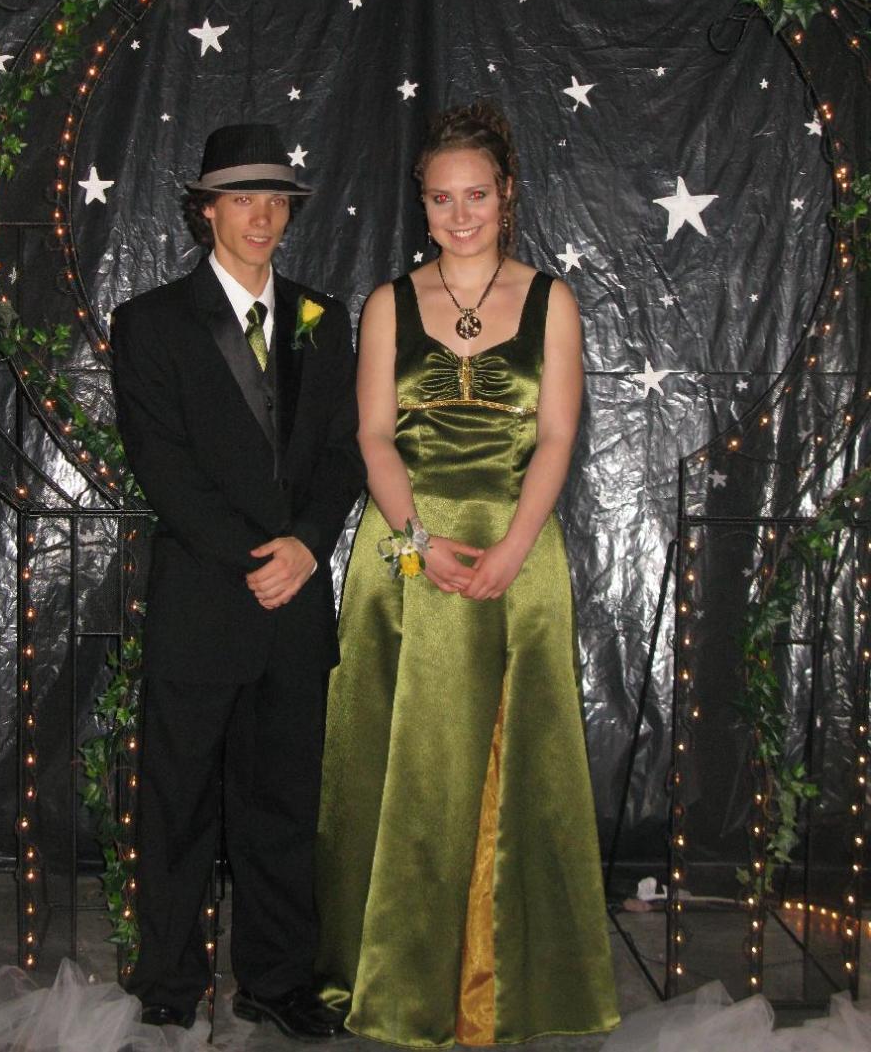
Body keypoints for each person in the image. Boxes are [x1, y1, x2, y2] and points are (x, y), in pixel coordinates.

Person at [315, 102, 620, 1046]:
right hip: (404, 557)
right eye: (442, 199)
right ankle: (395, 981)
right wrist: (417, 543)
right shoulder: (385, 303)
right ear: (423, 203)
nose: (459, 215)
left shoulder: (552, 299)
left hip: (518, 553)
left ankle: (509, 984)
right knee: (402, 766)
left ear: (507, 195)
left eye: (476, 196)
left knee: (515, 768)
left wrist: (518, 546)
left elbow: (558, 436)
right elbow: (372, 436)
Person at [111, 123, 364, 1037]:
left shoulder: (323, 318)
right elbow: (162, 466)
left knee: (284, 809)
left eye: (275, 200)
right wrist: (254, 557)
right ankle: (171, 980)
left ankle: (275, 979)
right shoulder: (148, 322)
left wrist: (306, 544)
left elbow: (344, 452)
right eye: (241, 198)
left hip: (297, 605)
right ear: (205, 208)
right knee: (175, 805)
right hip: (204, 605)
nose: (260, 216)